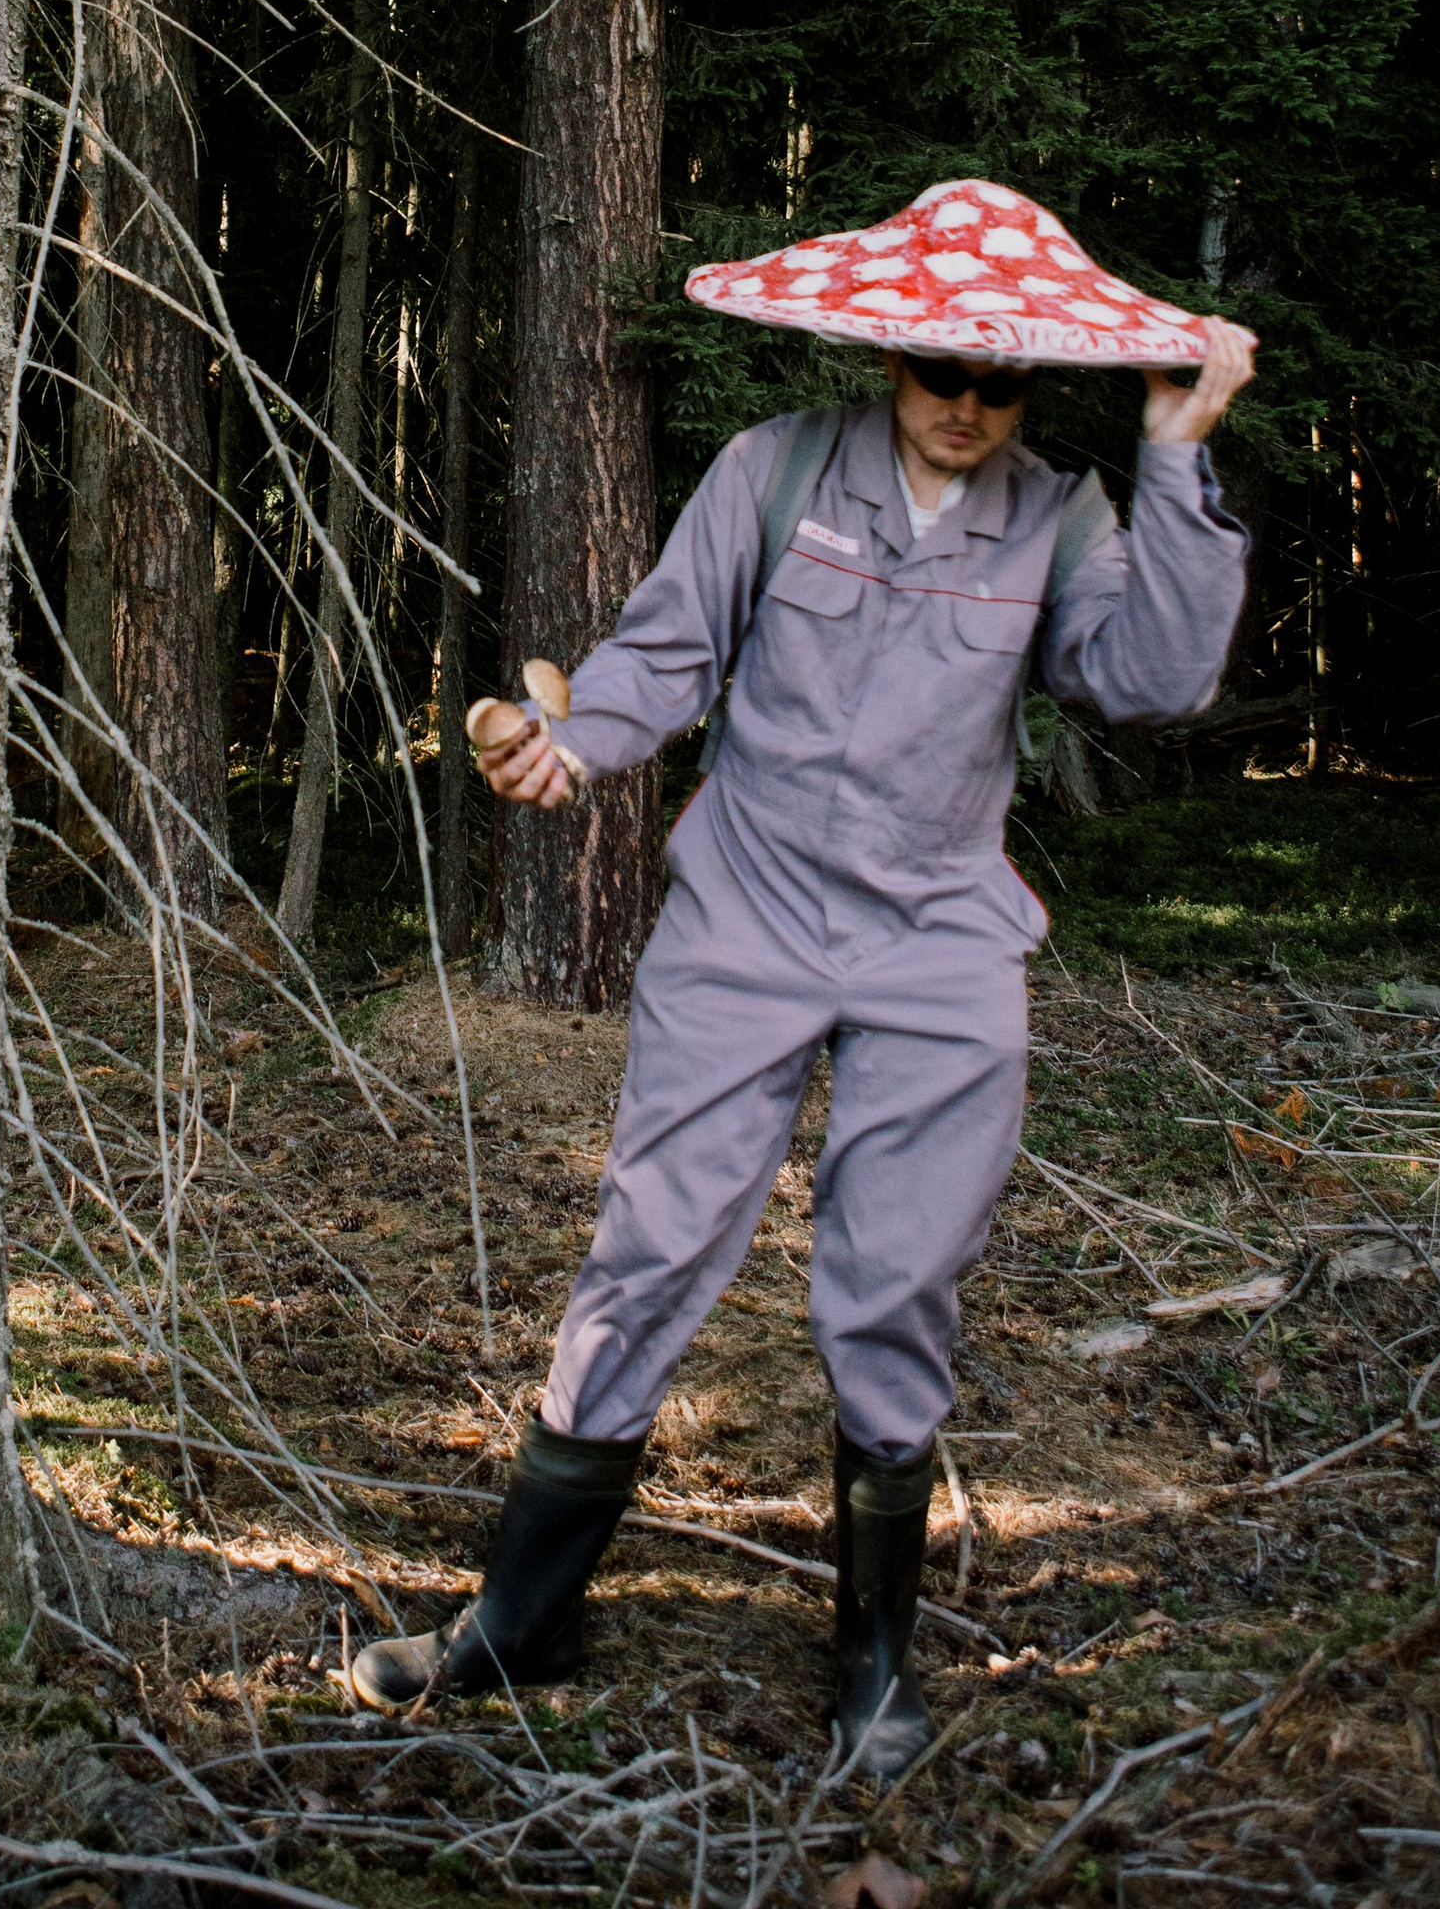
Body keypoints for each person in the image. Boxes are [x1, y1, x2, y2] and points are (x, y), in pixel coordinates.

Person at [349, 310, 1256, 1774]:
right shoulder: (774, 471)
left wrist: (1176, 455)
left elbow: (1150, 682)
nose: (968, 404)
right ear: (891, 354)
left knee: (898, 1284)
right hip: (746, 919)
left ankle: (874, 1662)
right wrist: (569, 741)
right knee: (650, 1249)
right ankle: (520, 1621)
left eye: (1004, 380)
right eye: (943, 369)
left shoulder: (1062, 517)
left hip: (942, 940)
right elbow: (662, 654)